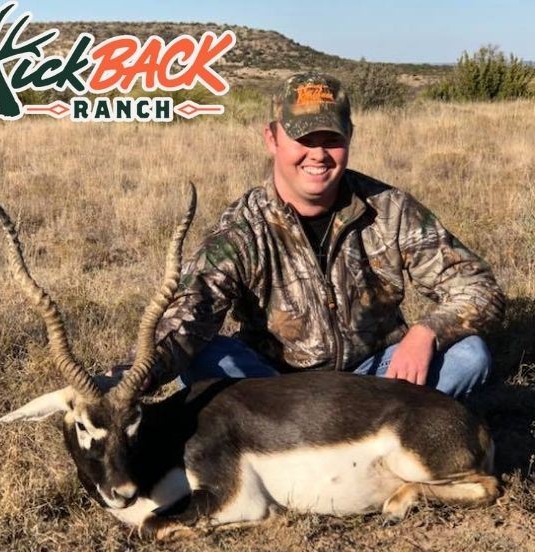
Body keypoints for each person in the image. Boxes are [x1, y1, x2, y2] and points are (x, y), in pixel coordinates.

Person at [137, 72, 505, 399]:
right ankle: (360, 434)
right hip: (276, 388)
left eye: (331, 139)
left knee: (468, 356)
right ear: (271, 138)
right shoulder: (242, 228)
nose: (318, 155)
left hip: (376, 375)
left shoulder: (390, 208)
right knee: (205, 359)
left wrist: (426, 333)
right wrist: (131, 377)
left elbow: (479, 287)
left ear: (350, 137)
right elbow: (190, 314)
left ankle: (315, 438)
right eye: (304, 139)